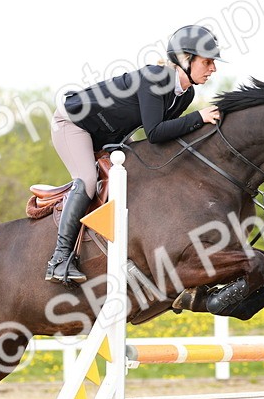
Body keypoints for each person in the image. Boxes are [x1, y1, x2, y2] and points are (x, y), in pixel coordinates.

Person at [45, 24, 224, 283]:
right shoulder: (156, 77)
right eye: (207, 62)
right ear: (186, 60)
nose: (213, 69)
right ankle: (59, 260)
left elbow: (165, 139)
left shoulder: (185, 94)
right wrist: (199, 117)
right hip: (73, 123)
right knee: (87, 179)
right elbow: (155, 132)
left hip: (108, 136)